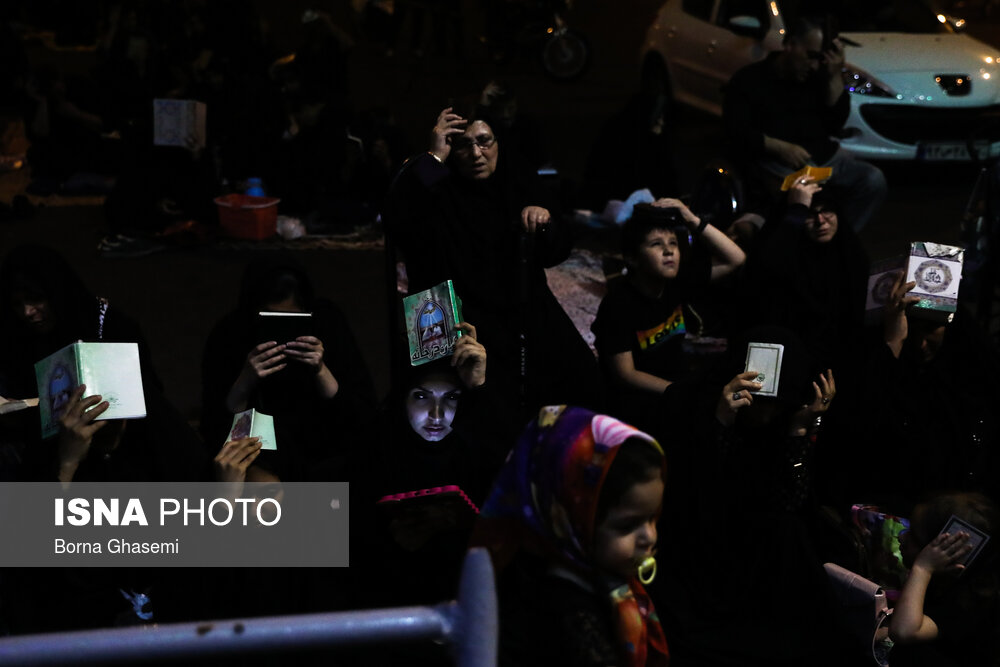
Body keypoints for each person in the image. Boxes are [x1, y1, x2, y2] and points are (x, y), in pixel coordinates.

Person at [384, 102, 602, 416]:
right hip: (461, 310)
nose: (476, 154)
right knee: (474, 395)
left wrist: (545, 223)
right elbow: (396, 220)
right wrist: (434, 157)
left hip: (522, 304)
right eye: (462, 146)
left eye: (484, 141)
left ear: (498, 142)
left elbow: (558, 250)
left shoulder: (517, 181)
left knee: (580, 375)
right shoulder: (436, 187)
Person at [472, 405, 670, 667]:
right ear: (570, 517)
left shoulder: (604, 576)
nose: (649, 537)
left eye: (653, 518)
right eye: (627, 526)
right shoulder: (559, 615)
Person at [348, 323, 508, 613]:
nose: (437, 414)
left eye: (451, 397)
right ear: (402, 399)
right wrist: (390, 543)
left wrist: (479, 387)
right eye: (421, 396)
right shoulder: (371, 455)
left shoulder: (479, 454)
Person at [200, 256, 376, 481]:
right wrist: (246, 380)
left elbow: (363, 417)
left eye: (292, 319)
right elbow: (216, 427)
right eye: (270, 319)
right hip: (262, 449)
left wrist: (321, 370)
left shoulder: (327, 324)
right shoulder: (230, 334)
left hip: (324, 444)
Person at [590, 199, 745, 432]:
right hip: (636, 403)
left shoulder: (675, 282)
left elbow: (736, 258)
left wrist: (690, 217)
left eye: (673, 243)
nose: (669, 250)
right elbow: (625, 374)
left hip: (676, 385)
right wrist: (679, 391)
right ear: (632, 258)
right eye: (656, 244)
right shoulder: (618, 304)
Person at [723, 15, 886, 231]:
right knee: (808, 192)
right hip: (776, 161)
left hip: (822, 157)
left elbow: (835, 123)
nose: (814, 64)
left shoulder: (817, 77)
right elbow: (735, 130)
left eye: (819, 58)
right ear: (790, 45)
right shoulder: (751, 80)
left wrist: (835, 75)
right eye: (810, 56)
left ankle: (839, 240)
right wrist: (777, 146)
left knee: (872, 179)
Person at [890, 492, 1000, 666]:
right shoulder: (942, 581)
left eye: (913, 538)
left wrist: (922, 568)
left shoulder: (968, 602)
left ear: (949, 554)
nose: (901, 536)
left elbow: (903, 631)